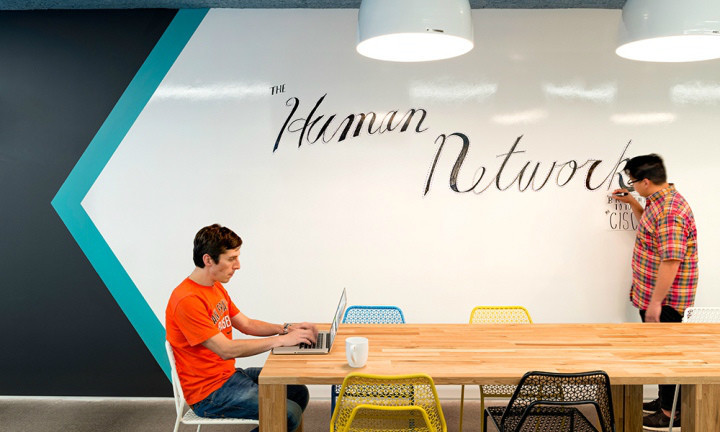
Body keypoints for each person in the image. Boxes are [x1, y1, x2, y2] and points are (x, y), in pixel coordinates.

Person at [166, 224, 318, 432]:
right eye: (231, 259)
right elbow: (225, 349)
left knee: (297, 392)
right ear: (208, 260)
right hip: (209, 394)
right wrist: (281, 341)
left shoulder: (214, 287)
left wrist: (285, 328)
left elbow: (246, 324)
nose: (238, 265)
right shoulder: (187, 300)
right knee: (287, 414)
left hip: (229, 376)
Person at [613, 154, 698, 431]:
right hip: (654, 295)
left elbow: (671, 260)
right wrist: (633, 203)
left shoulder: (670, 211)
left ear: (646, 181)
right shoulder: (657, 202)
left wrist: (655, 303)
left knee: (666, 354)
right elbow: (649, 229)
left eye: (633, 182)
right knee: (660, 350)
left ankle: (669, 413)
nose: (632, 185)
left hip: (666, 301)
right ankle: (664, 401)